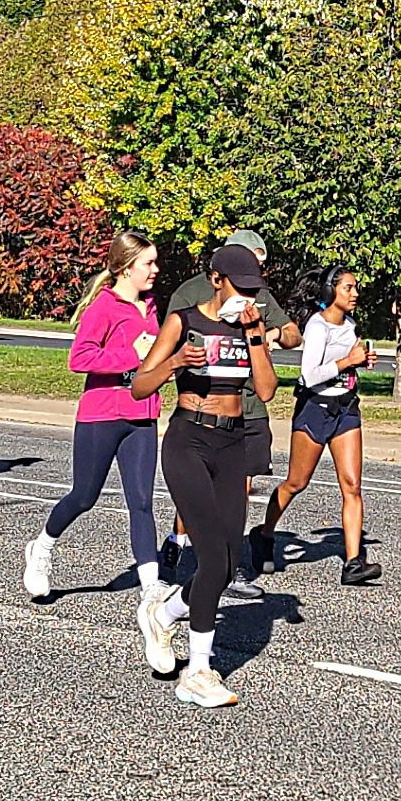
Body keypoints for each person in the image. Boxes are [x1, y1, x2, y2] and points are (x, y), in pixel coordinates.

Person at [132, 244, 280, 708]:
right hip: (188, 440)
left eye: (254, 290)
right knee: (213, 557)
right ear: (217, 280)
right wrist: (176, 362)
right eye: (241, 288)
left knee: (228, 556)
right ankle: (198, 670)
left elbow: (267, 390)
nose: (247, 297)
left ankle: (165, 612)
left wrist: (255, 333)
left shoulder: (248, 326)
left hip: (231, 442)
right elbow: (139, 384)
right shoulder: (184, 319)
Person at [158, 228, 300, 601]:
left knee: (240, 488)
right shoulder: (190, 295)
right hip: (200, 409)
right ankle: (179, 541)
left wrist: (266, 335)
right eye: (254, 261)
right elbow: (169, 344)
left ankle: (229, 564)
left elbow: (291, 335)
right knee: (199, 493)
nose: (255, 278)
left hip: (248, 409)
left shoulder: (257, 295)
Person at [24, 231, 164, 604]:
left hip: (143, 415)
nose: (155, 270)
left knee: (142, 501)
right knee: (84, 496)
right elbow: (79, 359)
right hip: (101, 414)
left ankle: (151, 586)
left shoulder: (151, 307)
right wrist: (130, 358)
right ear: (125, 267)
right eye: (148, 263)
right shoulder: (103, 307)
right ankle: (41, 548)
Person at [250, 264, 381, 585]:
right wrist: (347, 361)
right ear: (330, 291)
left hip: (346, 406)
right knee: (296, 482)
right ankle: (264, 535)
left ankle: (353, 562)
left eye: (355, 287)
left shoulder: (349, 325)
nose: (355, 293)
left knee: (352, 486)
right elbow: (309, 375)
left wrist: (361, 362)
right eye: (348, 288)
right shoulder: (317, 327)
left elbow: (345, 366)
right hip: (315, 409)